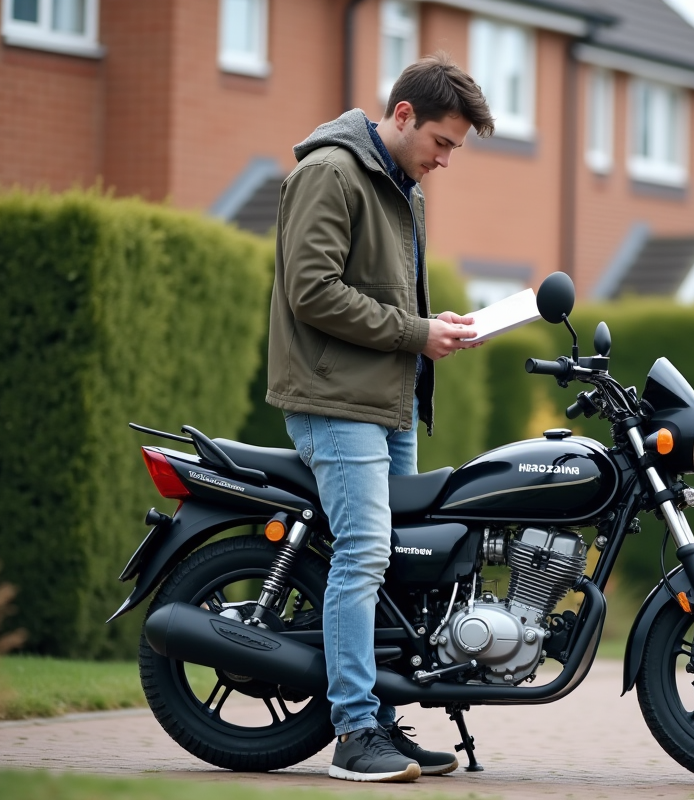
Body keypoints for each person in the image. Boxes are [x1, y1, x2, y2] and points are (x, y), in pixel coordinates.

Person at [265, 53, 494, 783]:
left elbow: (384, 305)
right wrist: (415, 333)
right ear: (403, 116)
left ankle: (382, 719)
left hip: (386, 404)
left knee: (394, 561)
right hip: (335, 402)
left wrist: (432, 325)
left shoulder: (402, 186)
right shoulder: (330, 173)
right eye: (443, 144)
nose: (446, 161)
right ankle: (355, 732)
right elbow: (311, 291)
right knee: (364, 554)